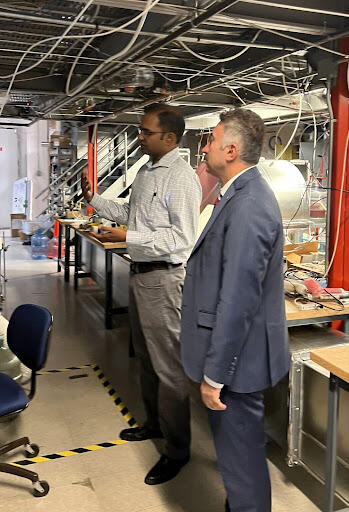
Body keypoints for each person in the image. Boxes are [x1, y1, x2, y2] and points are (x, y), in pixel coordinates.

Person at [81, 103, 202, 485]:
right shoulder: (148, 172)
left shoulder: (181, 178)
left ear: (169, 137)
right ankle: (155, 423)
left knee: (169, 368)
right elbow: (132, 212)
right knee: (147, 359)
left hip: (164, 280)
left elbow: (181, 238)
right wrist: (95, 200)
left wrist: (128, 238)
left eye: (145, 132)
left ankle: (177, 450)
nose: (139, 137)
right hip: (141, 276)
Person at [180, 108, 290, 512]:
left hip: (236, 364)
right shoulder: (236, 195)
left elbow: (239, 299)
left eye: (209, 139)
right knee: (237, 456)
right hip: (236, 357)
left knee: (241, 463)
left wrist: (215, 374)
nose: (204, 146)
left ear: (230, 149)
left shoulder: (249, 204)